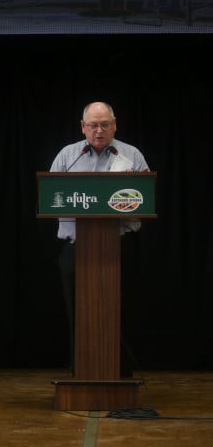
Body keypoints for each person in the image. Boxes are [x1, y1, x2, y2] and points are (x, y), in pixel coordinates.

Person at [49, 101, 149, 373]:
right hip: (76, 248)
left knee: (120, 309)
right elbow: (50, 197)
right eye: (93, 125)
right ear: (83, 127)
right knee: (77, 312)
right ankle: (80, 366)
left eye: (105, 124)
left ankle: (120, 368)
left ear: (114, 125)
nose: (99, 130)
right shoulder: (69, 156)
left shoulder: (131, 156)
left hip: (119, 246)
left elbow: (145, 201)